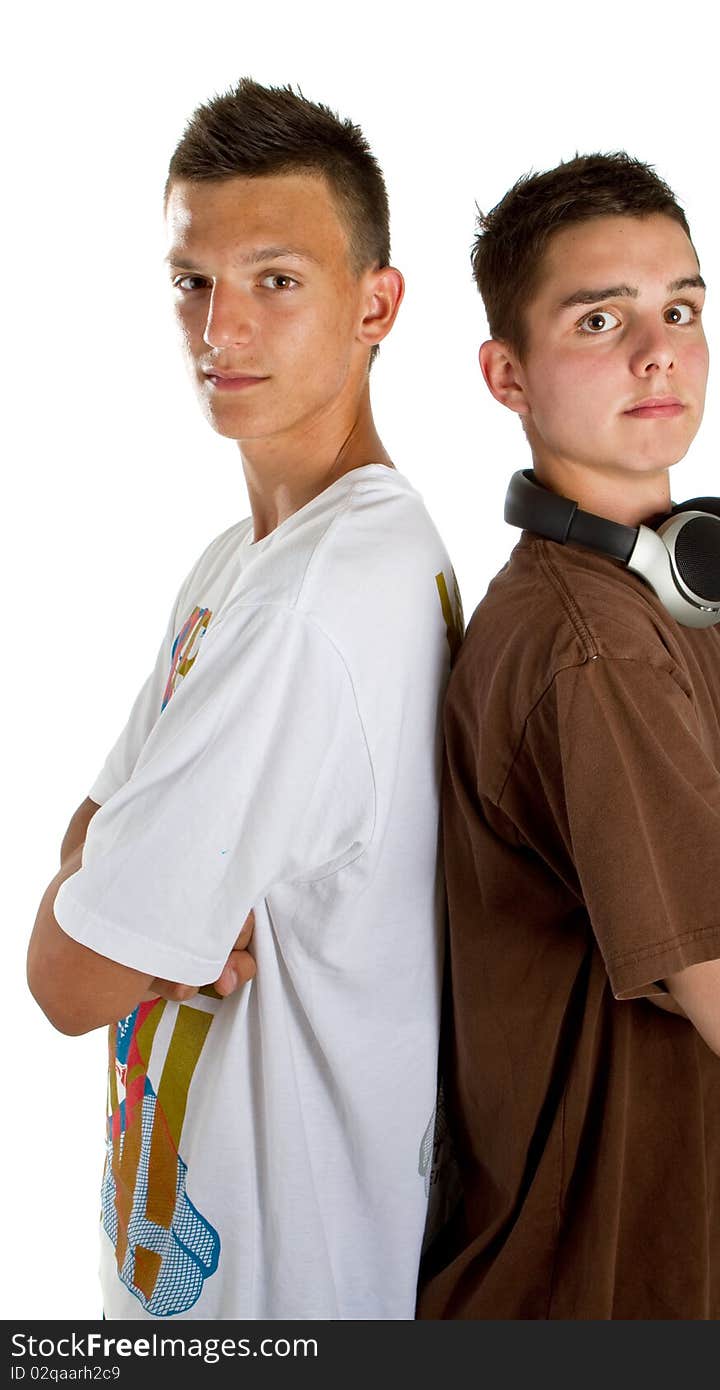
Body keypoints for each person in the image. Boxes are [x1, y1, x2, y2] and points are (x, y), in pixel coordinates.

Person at [27, 77, 459, 1321]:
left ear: (376, 302)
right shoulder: (246, 560)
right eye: (193, 282)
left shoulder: (314, 604)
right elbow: (86, 840)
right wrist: (132, 903)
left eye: (277, 280)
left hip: (282, 1293)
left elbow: (64, 976)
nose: (222, 327)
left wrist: (124, 915)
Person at [417, 153, 720, 1320]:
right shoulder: (590, 652)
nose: (657, 350)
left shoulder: (685, 590)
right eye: (599, 318)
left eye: (681, 309)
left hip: (713, 1271)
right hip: (595, 1299)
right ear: (506, 374)